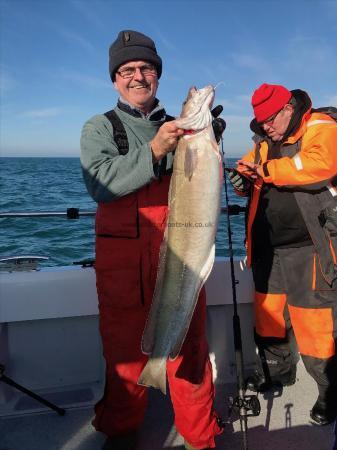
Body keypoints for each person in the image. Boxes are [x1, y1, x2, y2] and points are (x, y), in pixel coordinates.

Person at [80, 30, 225, 450]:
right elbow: (100, 183)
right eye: (127, 70)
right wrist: (156, 149)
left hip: (182, 258)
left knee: (191, 357)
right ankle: (122, 435)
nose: (137, 76)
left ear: (158, 76)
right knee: (125, 361)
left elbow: (204, 189)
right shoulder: (100, 128)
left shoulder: (180, 128)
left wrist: (211, 144)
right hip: (124, 273)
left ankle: (201, 440)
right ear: (115, 79)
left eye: (146, 68)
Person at [229, 82, 337, 426]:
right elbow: (249, 164)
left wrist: (264, 171)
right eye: (260, 124)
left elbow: (320, 163)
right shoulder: (265, 141)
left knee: (315, 324)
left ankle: (329, 393)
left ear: (289, 108)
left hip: (311, 247)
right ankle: (276, 373)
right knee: (268, 316)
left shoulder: (321, 126)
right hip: (267, 247)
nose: (265, 128)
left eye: (269, 121)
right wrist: (242, 177)